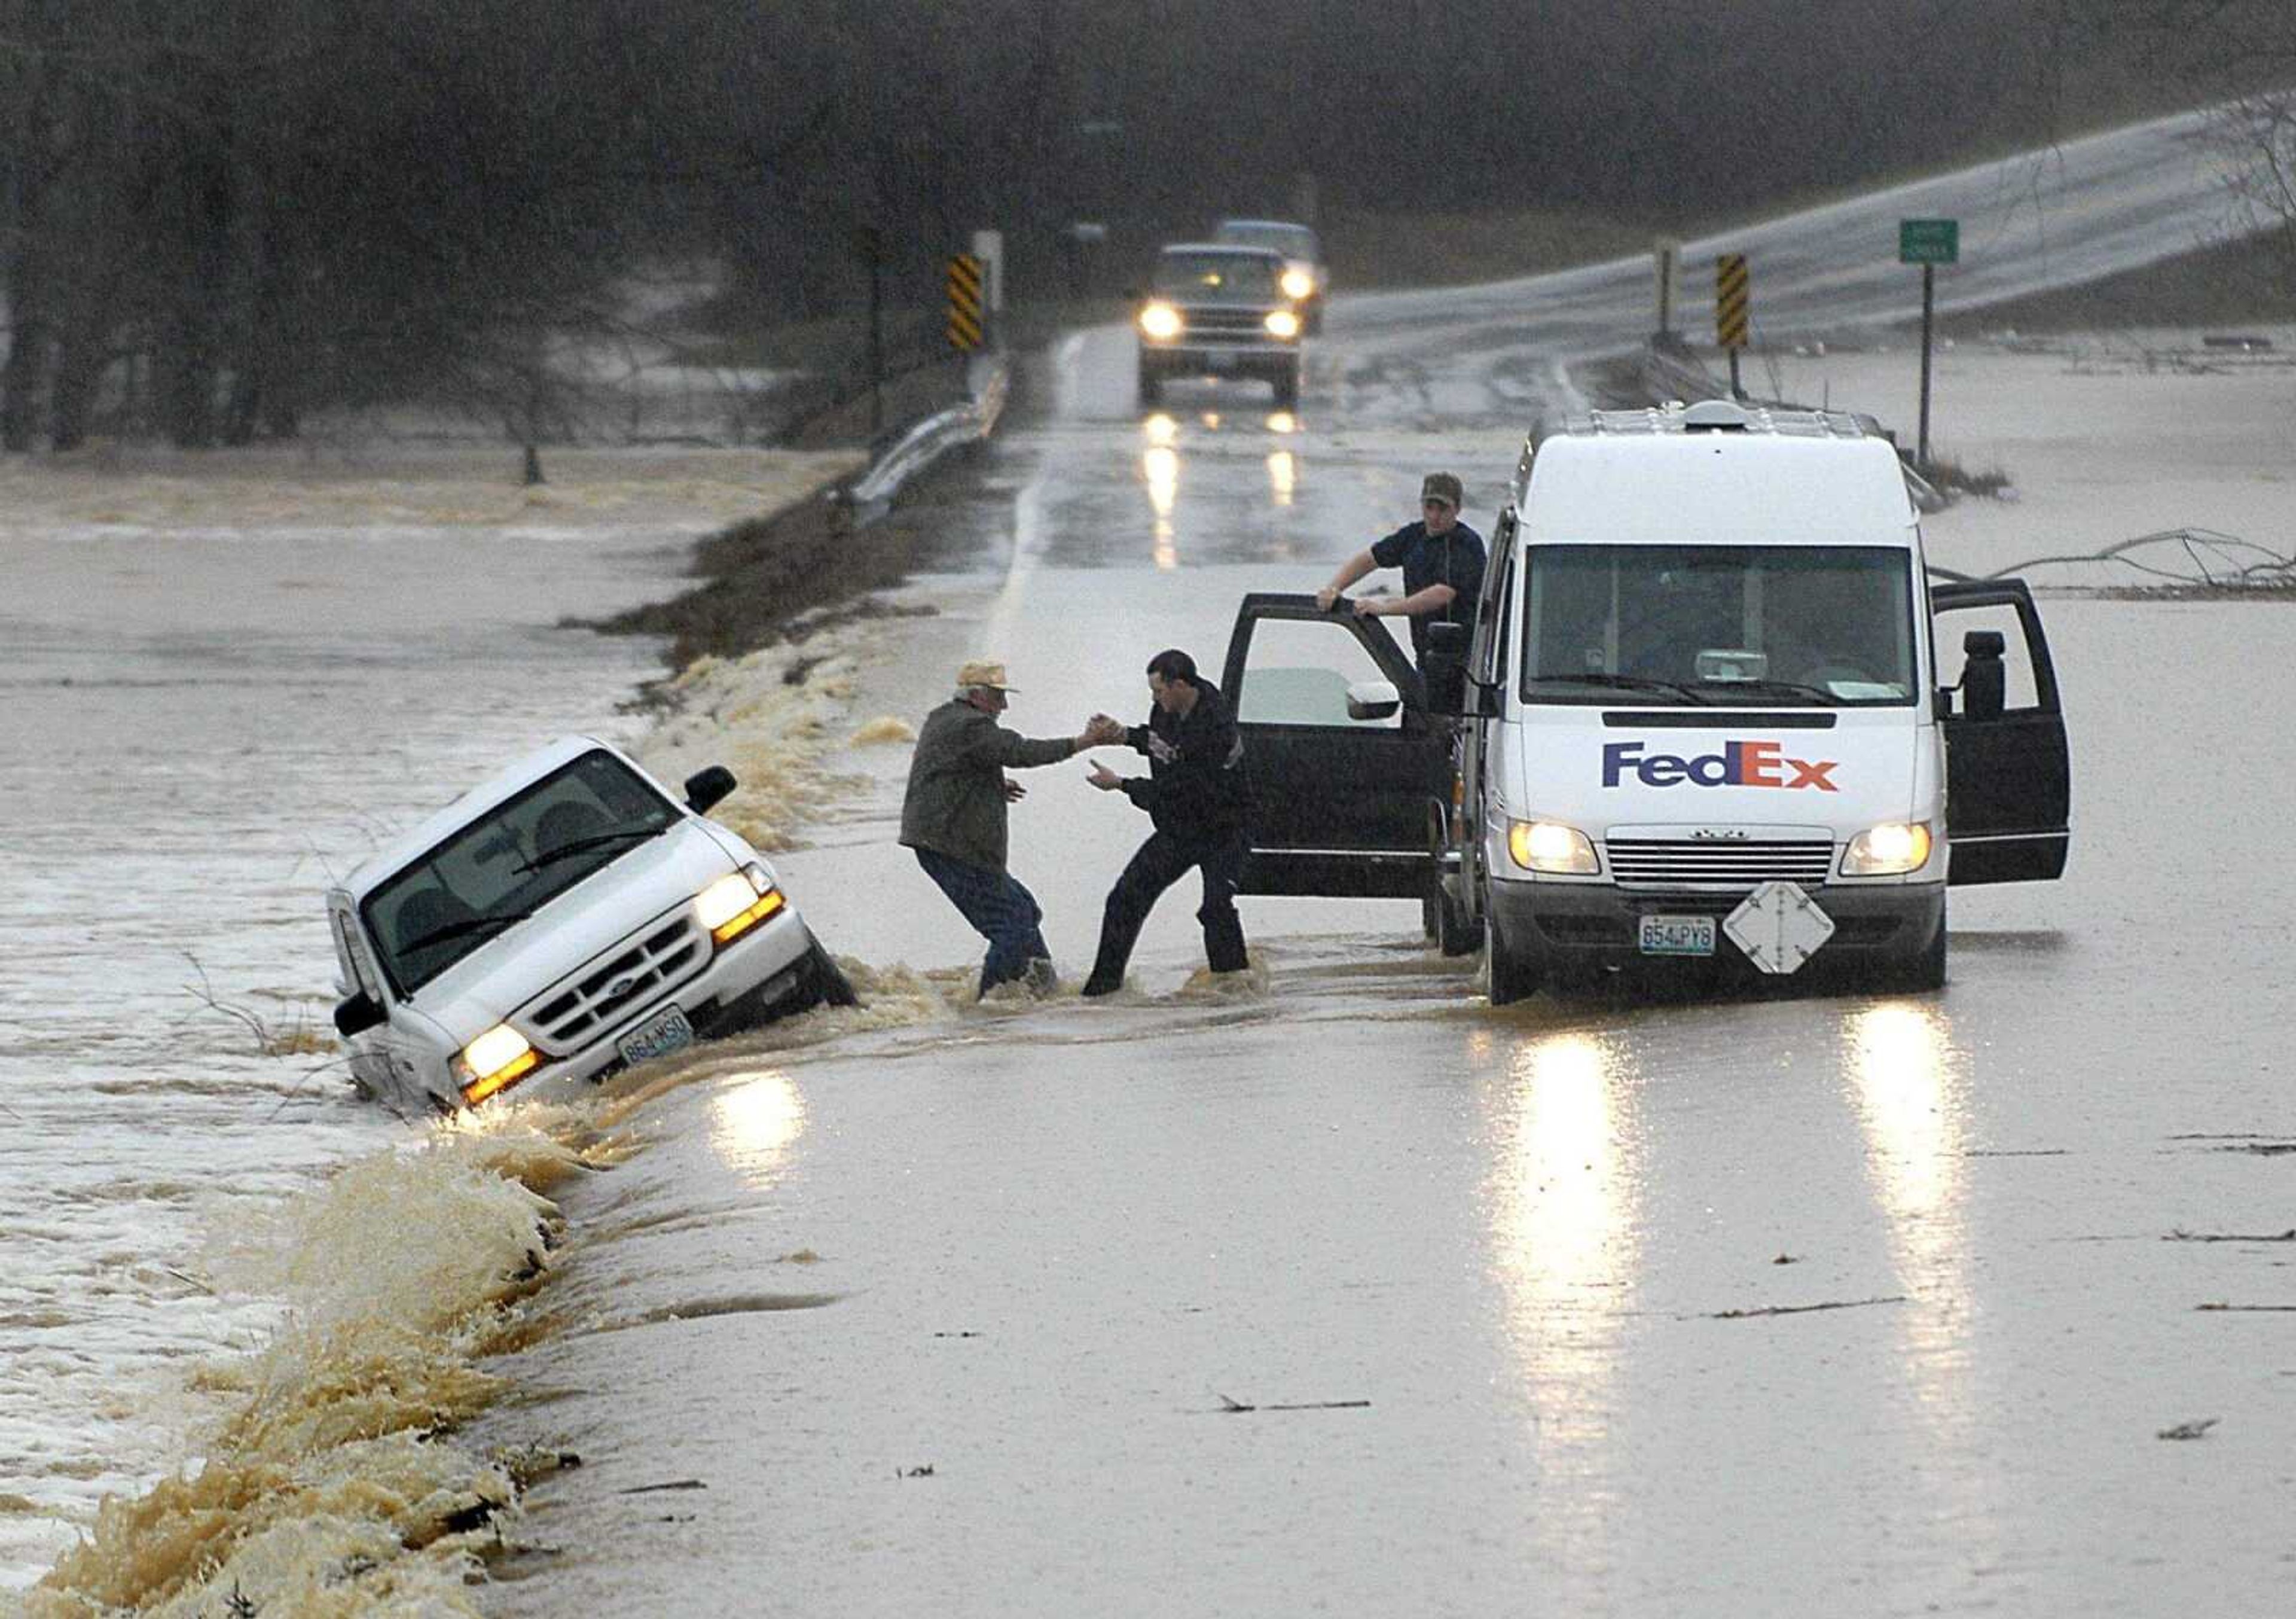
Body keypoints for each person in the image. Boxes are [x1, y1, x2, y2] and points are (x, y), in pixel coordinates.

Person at [901, 660, 1123, 998]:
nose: (1004, 706)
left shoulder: (944, 718)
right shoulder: (971, 726)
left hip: (947, 842)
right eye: (998, 697)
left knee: (1024, 911)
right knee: (1011, 925)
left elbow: (946, 767)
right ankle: (989, 1006)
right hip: (952, 847)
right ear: (976, 696)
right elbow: (1020, 752)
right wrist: (1085, 742)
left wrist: (989, 784)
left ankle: (1045, 992)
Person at [1080, 649, 1251, 996]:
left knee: (1215, 908)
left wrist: (1122, 785)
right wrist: (1122, 734)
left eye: (1158, 691)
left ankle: (1236, 992)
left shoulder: (1214, 726)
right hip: (1181, 829)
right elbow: (1160, 745)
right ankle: (1102, 990)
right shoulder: (1167, 709)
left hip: (1225, 829)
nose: (1154, 699)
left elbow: (1178, 789)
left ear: (1180, 685)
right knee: (1125, 898)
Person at [1314, 471, 1487, 667]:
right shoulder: (1414, 536)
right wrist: (1334, 589)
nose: (1434, 516)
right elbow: (1369, 559)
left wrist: (1384, 609)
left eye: (1443, 509)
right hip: (1426, 656)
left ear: (1457, 509)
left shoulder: (1467, 544)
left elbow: (1442, 594)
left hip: (1465, 660)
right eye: (1429, 507)